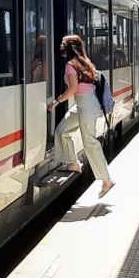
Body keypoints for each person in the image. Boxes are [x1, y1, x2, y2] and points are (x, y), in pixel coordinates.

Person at [48, 34, 115, 198]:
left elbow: (72, 89)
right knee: (62, 130)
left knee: (90, 142)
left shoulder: (71, 65)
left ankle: (106, 180)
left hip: (86, 106)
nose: (60, 47)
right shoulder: (85, 61)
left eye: (62, 44)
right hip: (84, 105)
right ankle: (74, 163)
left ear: (68, 48)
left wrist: (56, 102)